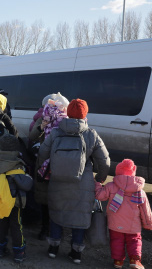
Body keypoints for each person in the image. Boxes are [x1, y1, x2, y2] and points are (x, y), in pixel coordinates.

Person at [38, 99, 110, 264]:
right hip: (83, 182)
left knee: (57, 212)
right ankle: (76, 252)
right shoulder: (91, 134)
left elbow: (42, 152)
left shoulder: (56, 132)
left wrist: (41, 170)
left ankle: (53, 248)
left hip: (57, 180)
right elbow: (104, 161)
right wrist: (99, 178)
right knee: (80, 216)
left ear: (68, 113)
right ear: (85, 114)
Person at [95, 159, 152, 269]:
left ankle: (118, 262)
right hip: (133, 225)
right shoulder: (140, 191)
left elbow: (100, 196)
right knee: (134, 240)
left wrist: (98, 184)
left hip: (115, 223)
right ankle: (135, 261)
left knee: (116, 241)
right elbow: (146, 210)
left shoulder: (111, 186)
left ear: (118, 172)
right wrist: (148, 224)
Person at [28, 95, 68, 240]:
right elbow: (32, 136)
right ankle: (47, 229)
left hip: (56, 161)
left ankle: (54, 229)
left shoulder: (65, 120)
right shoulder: (44, 118)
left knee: (55, 197)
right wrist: (41, 126)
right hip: (47, 163)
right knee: (47, 197)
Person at [0, 135, 33, 263]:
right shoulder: (17, 164)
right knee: (16, 225)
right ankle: (19, 252)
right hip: (15, 200)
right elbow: (26, 185)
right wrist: (29, 178)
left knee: (1, 224)